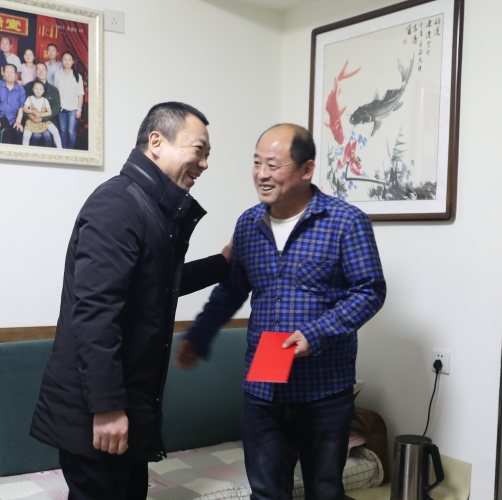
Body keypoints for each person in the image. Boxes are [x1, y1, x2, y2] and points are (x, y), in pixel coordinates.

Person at [30, 102, 231, 500]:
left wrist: (222, 265)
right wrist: (107, 408)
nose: (205, 164)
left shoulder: (151, 209)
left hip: (128, 409)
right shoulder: (119, 204)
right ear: (157, 142)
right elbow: (94, 313)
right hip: (97, 415)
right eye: (199, 150)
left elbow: (158, 285)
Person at [175, 124, 387, 500]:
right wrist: (199, 335)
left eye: (273, 165)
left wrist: (315, 334)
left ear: (306, 169)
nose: (261, 174)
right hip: (263, 389)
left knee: (324, 491)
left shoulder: (345, 222)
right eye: (257, 163)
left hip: (324, 391)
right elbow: (232, 291)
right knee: (266, 493)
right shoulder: (248, 224)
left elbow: (370, 291)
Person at [24, 62, 61, 147]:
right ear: (35, 72)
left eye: (43, 70)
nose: (41, 72)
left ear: (47, 72)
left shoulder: (54, 90)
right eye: (38, 70)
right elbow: (23, 105)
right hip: (31, 120)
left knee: (47, 135)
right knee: (35, 136)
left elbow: (56, 108)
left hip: (48, 120)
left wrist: (42, 118)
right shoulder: (28, 86)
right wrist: (30, 116)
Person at [55, 51, 85, 149]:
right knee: (62, 130)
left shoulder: (77, 76)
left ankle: (70, 151)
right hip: (61, 108)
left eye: (69, 59)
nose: (67, 62)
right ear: (61, 60)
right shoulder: (57, 74)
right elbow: (56, 91)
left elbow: (80, 94)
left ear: (73, 62)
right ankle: (63, 151)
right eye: (65, 59)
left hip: (73, 109)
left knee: (70, 131)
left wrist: (79, 110)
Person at [0, 64, 26, 144]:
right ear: (3, 73)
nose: (9, 74)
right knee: (6, 133)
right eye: (7, 72)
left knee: (18, 131)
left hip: (13, 119)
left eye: (12, 72)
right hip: (1, 118)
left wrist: (18, 122)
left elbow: (21, 108)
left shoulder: (20, 89)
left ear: (16, 74)